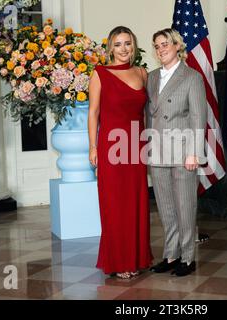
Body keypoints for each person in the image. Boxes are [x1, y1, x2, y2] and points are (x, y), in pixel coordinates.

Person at [88, 26, 153, 280]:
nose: (123, 49)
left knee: (137, 203)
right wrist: (93, 146)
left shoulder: (142, 73)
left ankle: (137, 257)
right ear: (110, 48)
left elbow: (145, 113)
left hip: (135, 146)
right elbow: (93, 113)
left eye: (128, 43)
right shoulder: (100, 74)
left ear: (133, 46)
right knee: (115, 204)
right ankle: (118, 260)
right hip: (111, 146)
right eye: (118, 44)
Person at [146, 28, 207, 277]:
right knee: (166, 207)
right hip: (157, 150)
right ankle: (171, 255)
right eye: (157, 45)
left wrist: (194, 152)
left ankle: (188, 257)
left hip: (183, 152)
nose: (161, 49)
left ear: (177, 46)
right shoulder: (150, 77)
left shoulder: (192, 77)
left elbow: (198, 117)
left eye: (165, 44)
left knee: (185, 206)